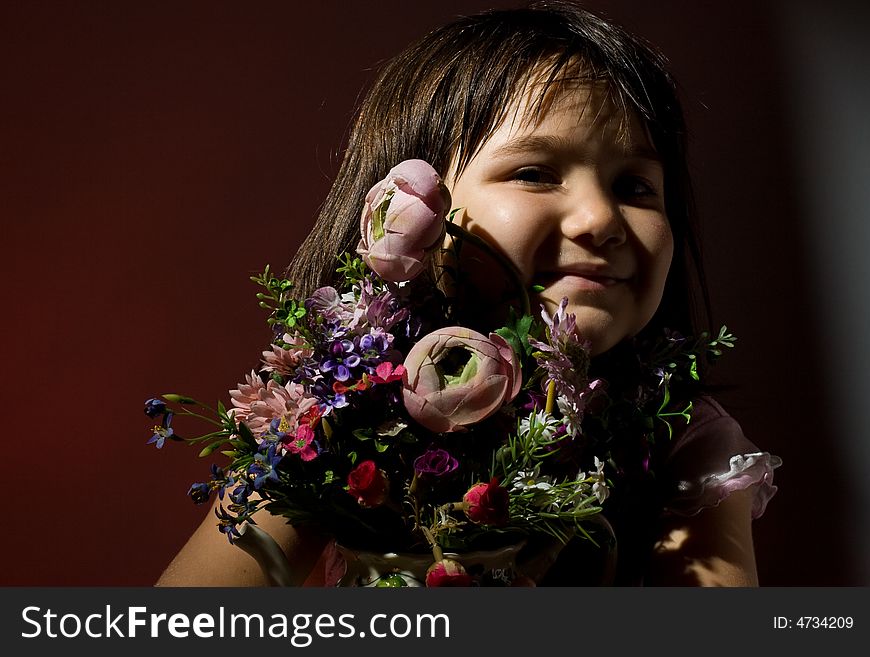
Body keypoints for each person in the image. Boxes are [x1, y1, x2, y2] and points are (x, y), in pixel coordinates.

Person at [156, 0, 780, 587]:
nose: (600, 219)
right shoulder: (340, 412)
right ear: (413, 214)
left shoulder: (682, 441)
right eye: (534, 173)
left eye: (636, 186)